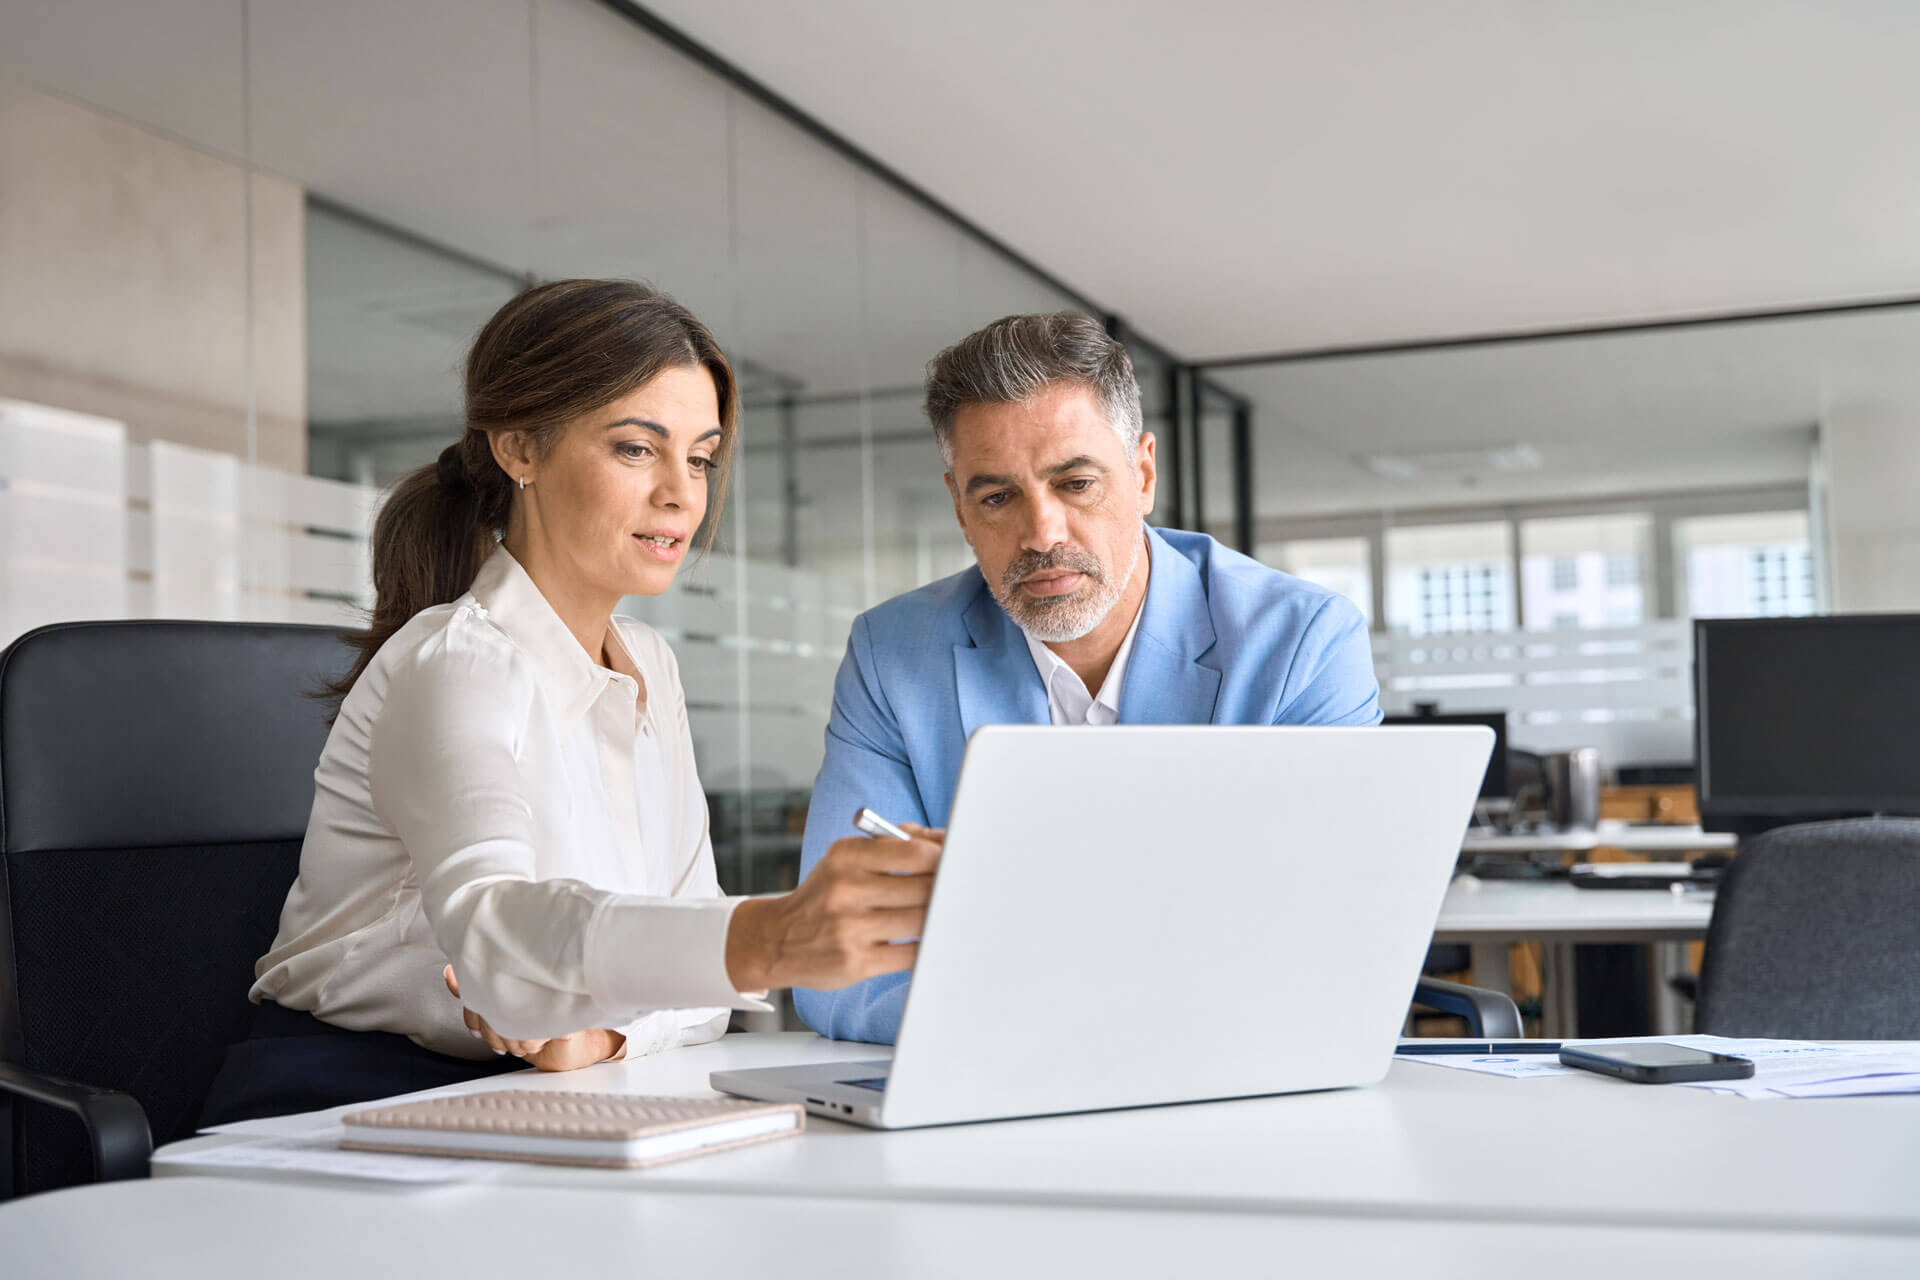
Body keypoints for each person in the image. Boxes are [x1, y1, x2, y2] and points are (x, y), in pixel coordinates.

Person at [201, 279, 941, 1124]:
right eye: (636, 448)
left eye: (699, 457)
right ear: (519, 448)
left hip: (552, 1090)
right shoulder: (456, 662)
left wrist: (605, 1038)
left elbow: (700, 1000)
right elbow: (493, 932)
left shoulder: (649, 666)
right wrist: (767, 937)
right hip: (339, 1102)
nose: (682, 494)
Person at [794, 312, 1382, 1045]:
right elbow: (836, 963)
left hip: (1231, 1090)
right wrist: (1076, 1033)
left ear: (1141, 475)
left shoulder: (1300, 642)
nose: (1042, 534)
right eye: (997, 497)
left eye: (1075, 482)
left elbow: (1330, 935)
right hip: (986, 1097)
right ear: (959, 508)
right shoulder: (894, 655)